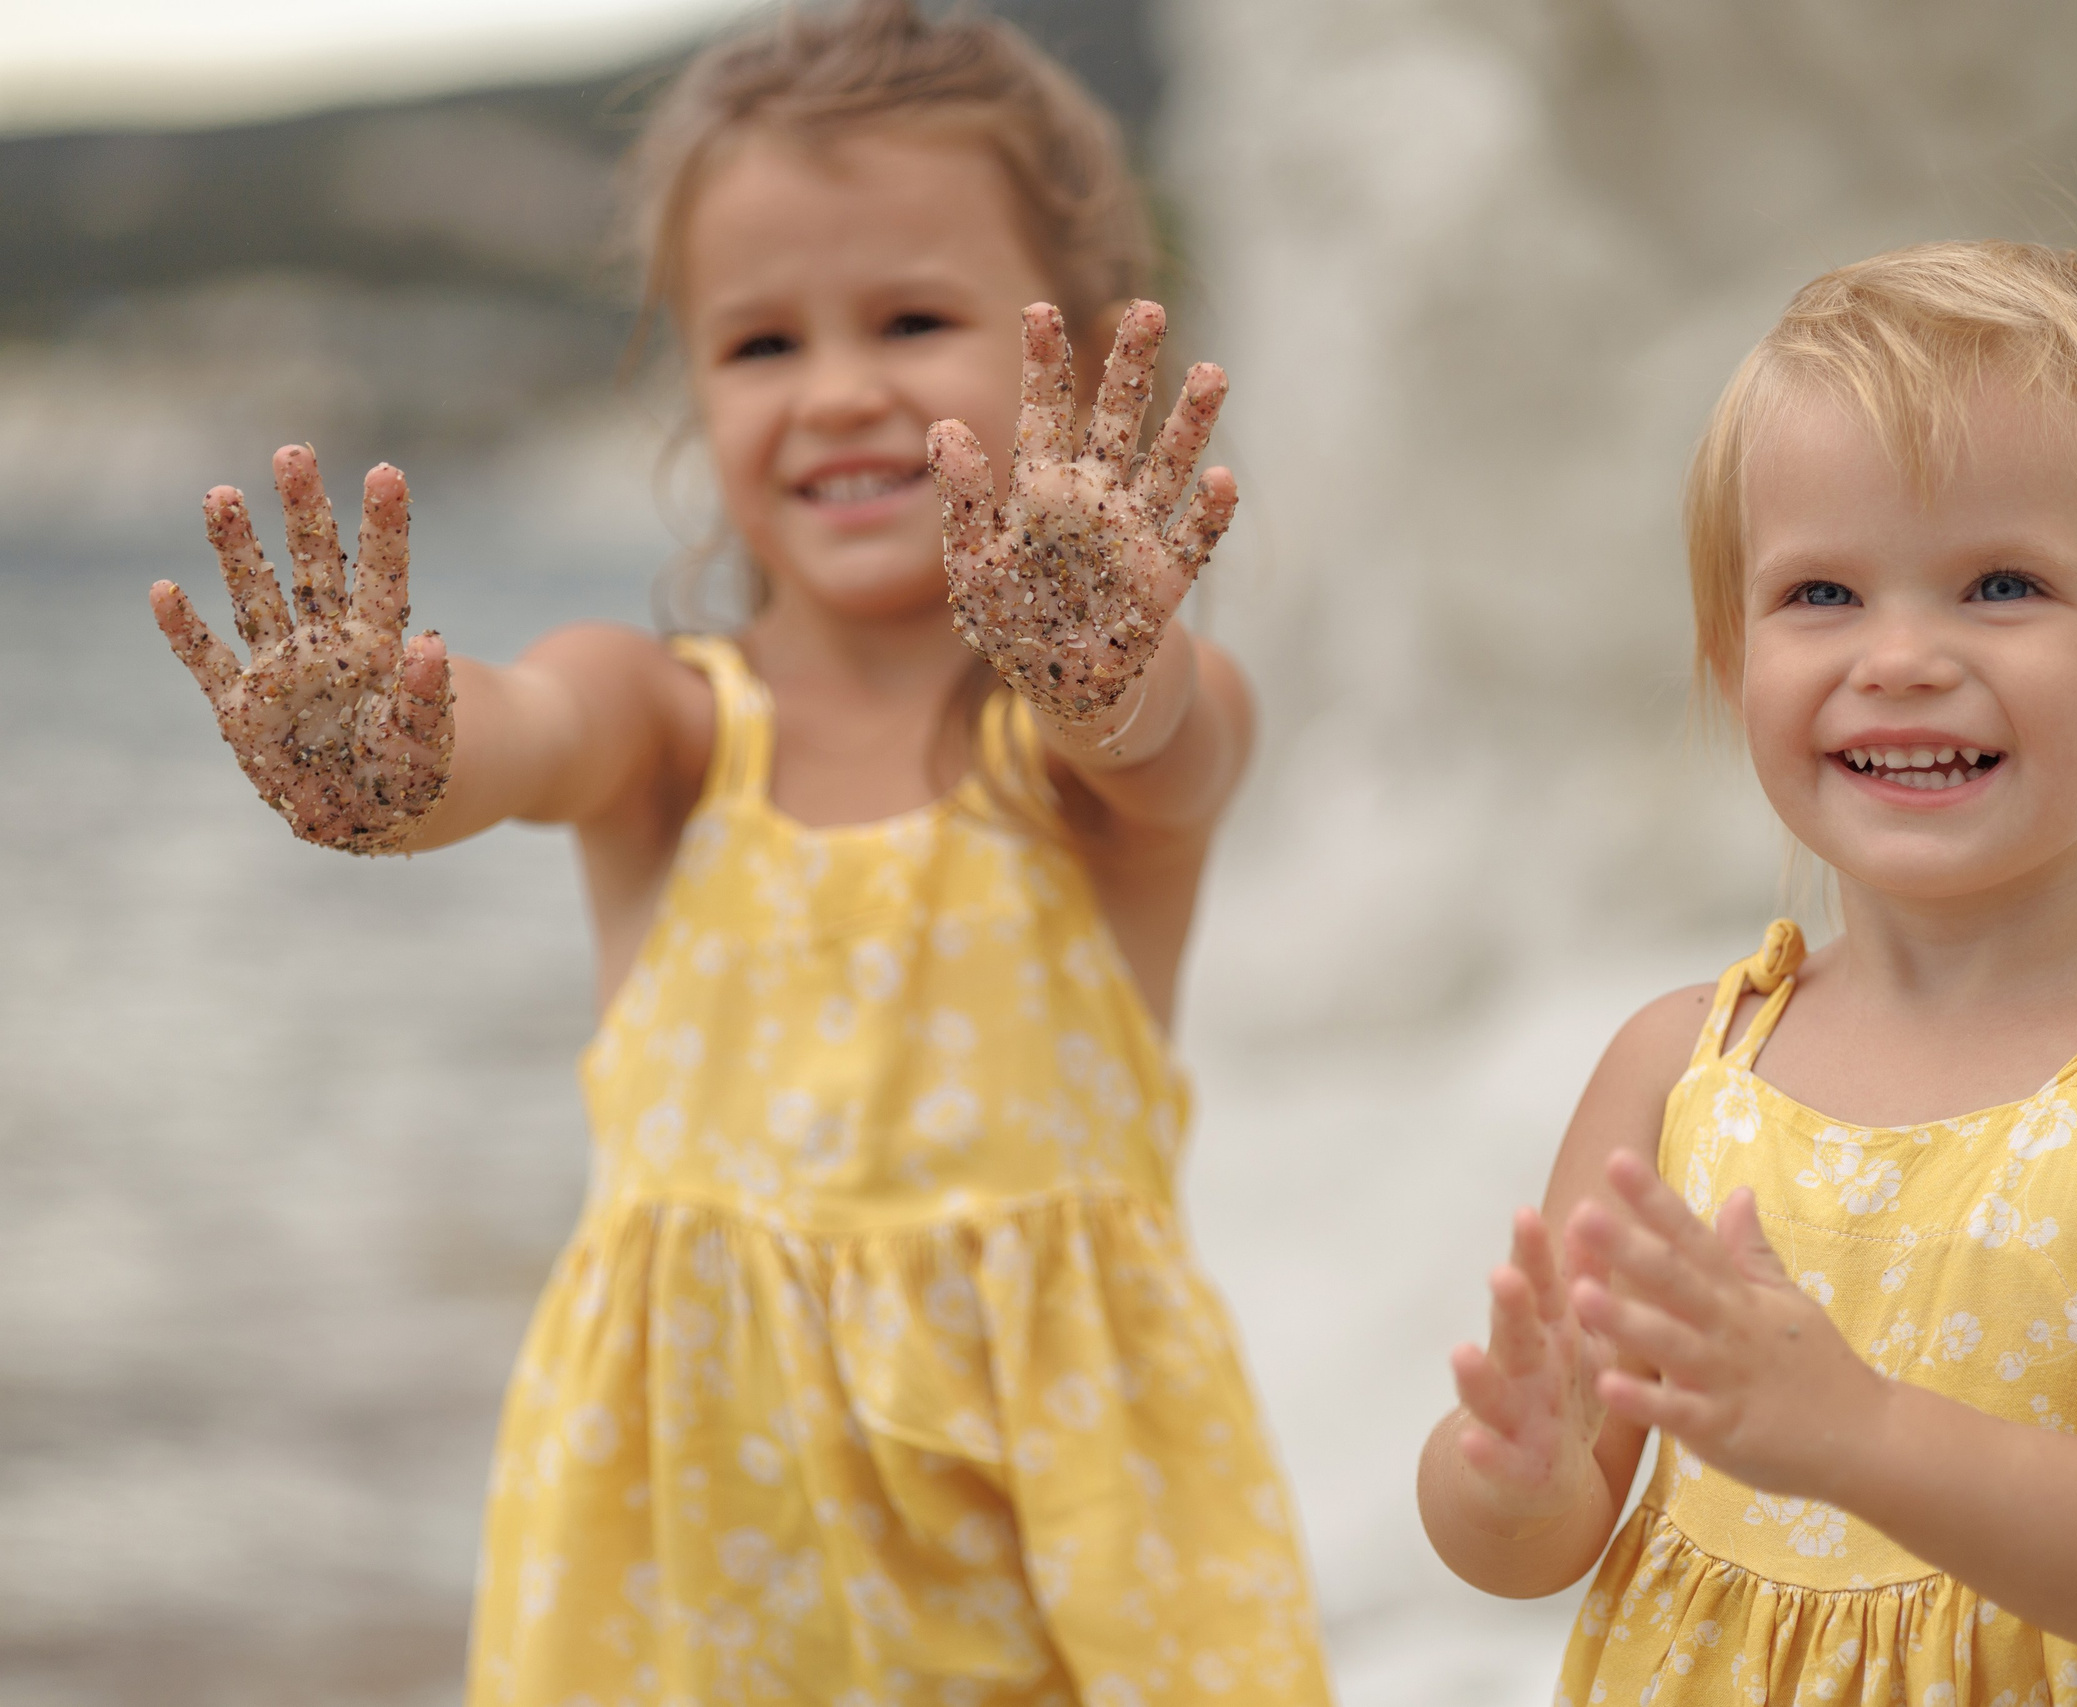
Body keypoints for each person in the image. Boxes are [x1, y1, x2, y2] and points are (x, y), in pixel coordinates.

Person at [147, 5, 1331, 1702]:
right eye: (762, 343)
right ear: (690, 379)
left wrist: (1102, 665)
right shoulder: (676, 730)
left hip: (1060, 1547)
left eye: (913, 319)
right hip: (696, 1578)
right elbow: (530, 731)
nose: (838, 391)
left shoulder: (1081, 752)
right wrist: (396, 754)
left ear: (1066, 355)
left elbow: (1167, 743)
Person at [1415, 240, 2077, 1704]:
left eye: (2001, 584)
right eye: (1822, 596)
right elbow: (1540, 1539)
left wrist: (1858, 1435)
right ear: (1736, 662)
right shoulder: (1676, 1072)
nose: (1902, 657)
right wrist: (1512, 1479)